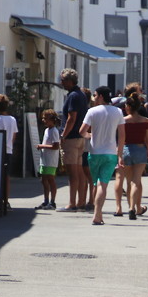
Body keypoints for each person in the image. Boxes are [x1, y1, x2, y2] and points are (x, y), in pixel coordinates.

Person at [80, 86, 125, 225]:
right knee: (102, 185)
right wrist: (120, 154)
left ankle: (97, 214)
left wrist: (91, 135)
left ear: (100, 96)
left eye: (94, 95)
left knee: (96, 184)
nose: (93, 97)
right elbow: (122, 135)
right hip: (110, 153)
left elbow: (82, 131)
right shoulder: (118, 111)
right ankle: (97, 215)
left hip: (94, 153)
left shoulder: (92, 111)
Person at [58, 69, 89, 212]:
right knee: (79, 171)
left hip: (71, 137)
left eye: (63, 80)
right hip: (80, 137)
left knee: (73, 173)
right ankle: (81, 201)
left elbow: (71, 118)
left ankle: (72, 203)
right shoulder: (81, 94)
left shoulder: (73, 96)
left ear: (70, 81)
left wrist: (63, 135)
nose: (61, 83)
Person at [120, 92, 148, 220]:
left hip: (127, 150)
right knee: (136, 181)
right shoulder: (145, 121)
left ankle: (131, 207)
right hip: (140, 150)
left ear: (128, 107)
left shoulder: (123, 121)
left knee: (129, 182)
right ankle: (132, 209)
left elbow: (121, 139)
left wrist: (119, 154)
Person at [0, 94, 18, 209]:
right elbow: (14, 135)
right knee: (6, 176)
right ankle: (6, 201)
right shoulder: (12, 119)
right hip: (8, 150)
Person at [35, 109, 61, 210]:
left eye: (46, 118)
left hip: (51, 160)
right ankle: (46, 201)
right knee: (43, 179)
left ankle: (52, 201)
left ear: (52, 120)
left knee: (50, 179)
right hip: (44, 159)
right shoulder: (47, 130)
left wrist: (42, 146)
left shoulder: (54, 131)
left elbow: (55, 146)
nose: (43, 120)